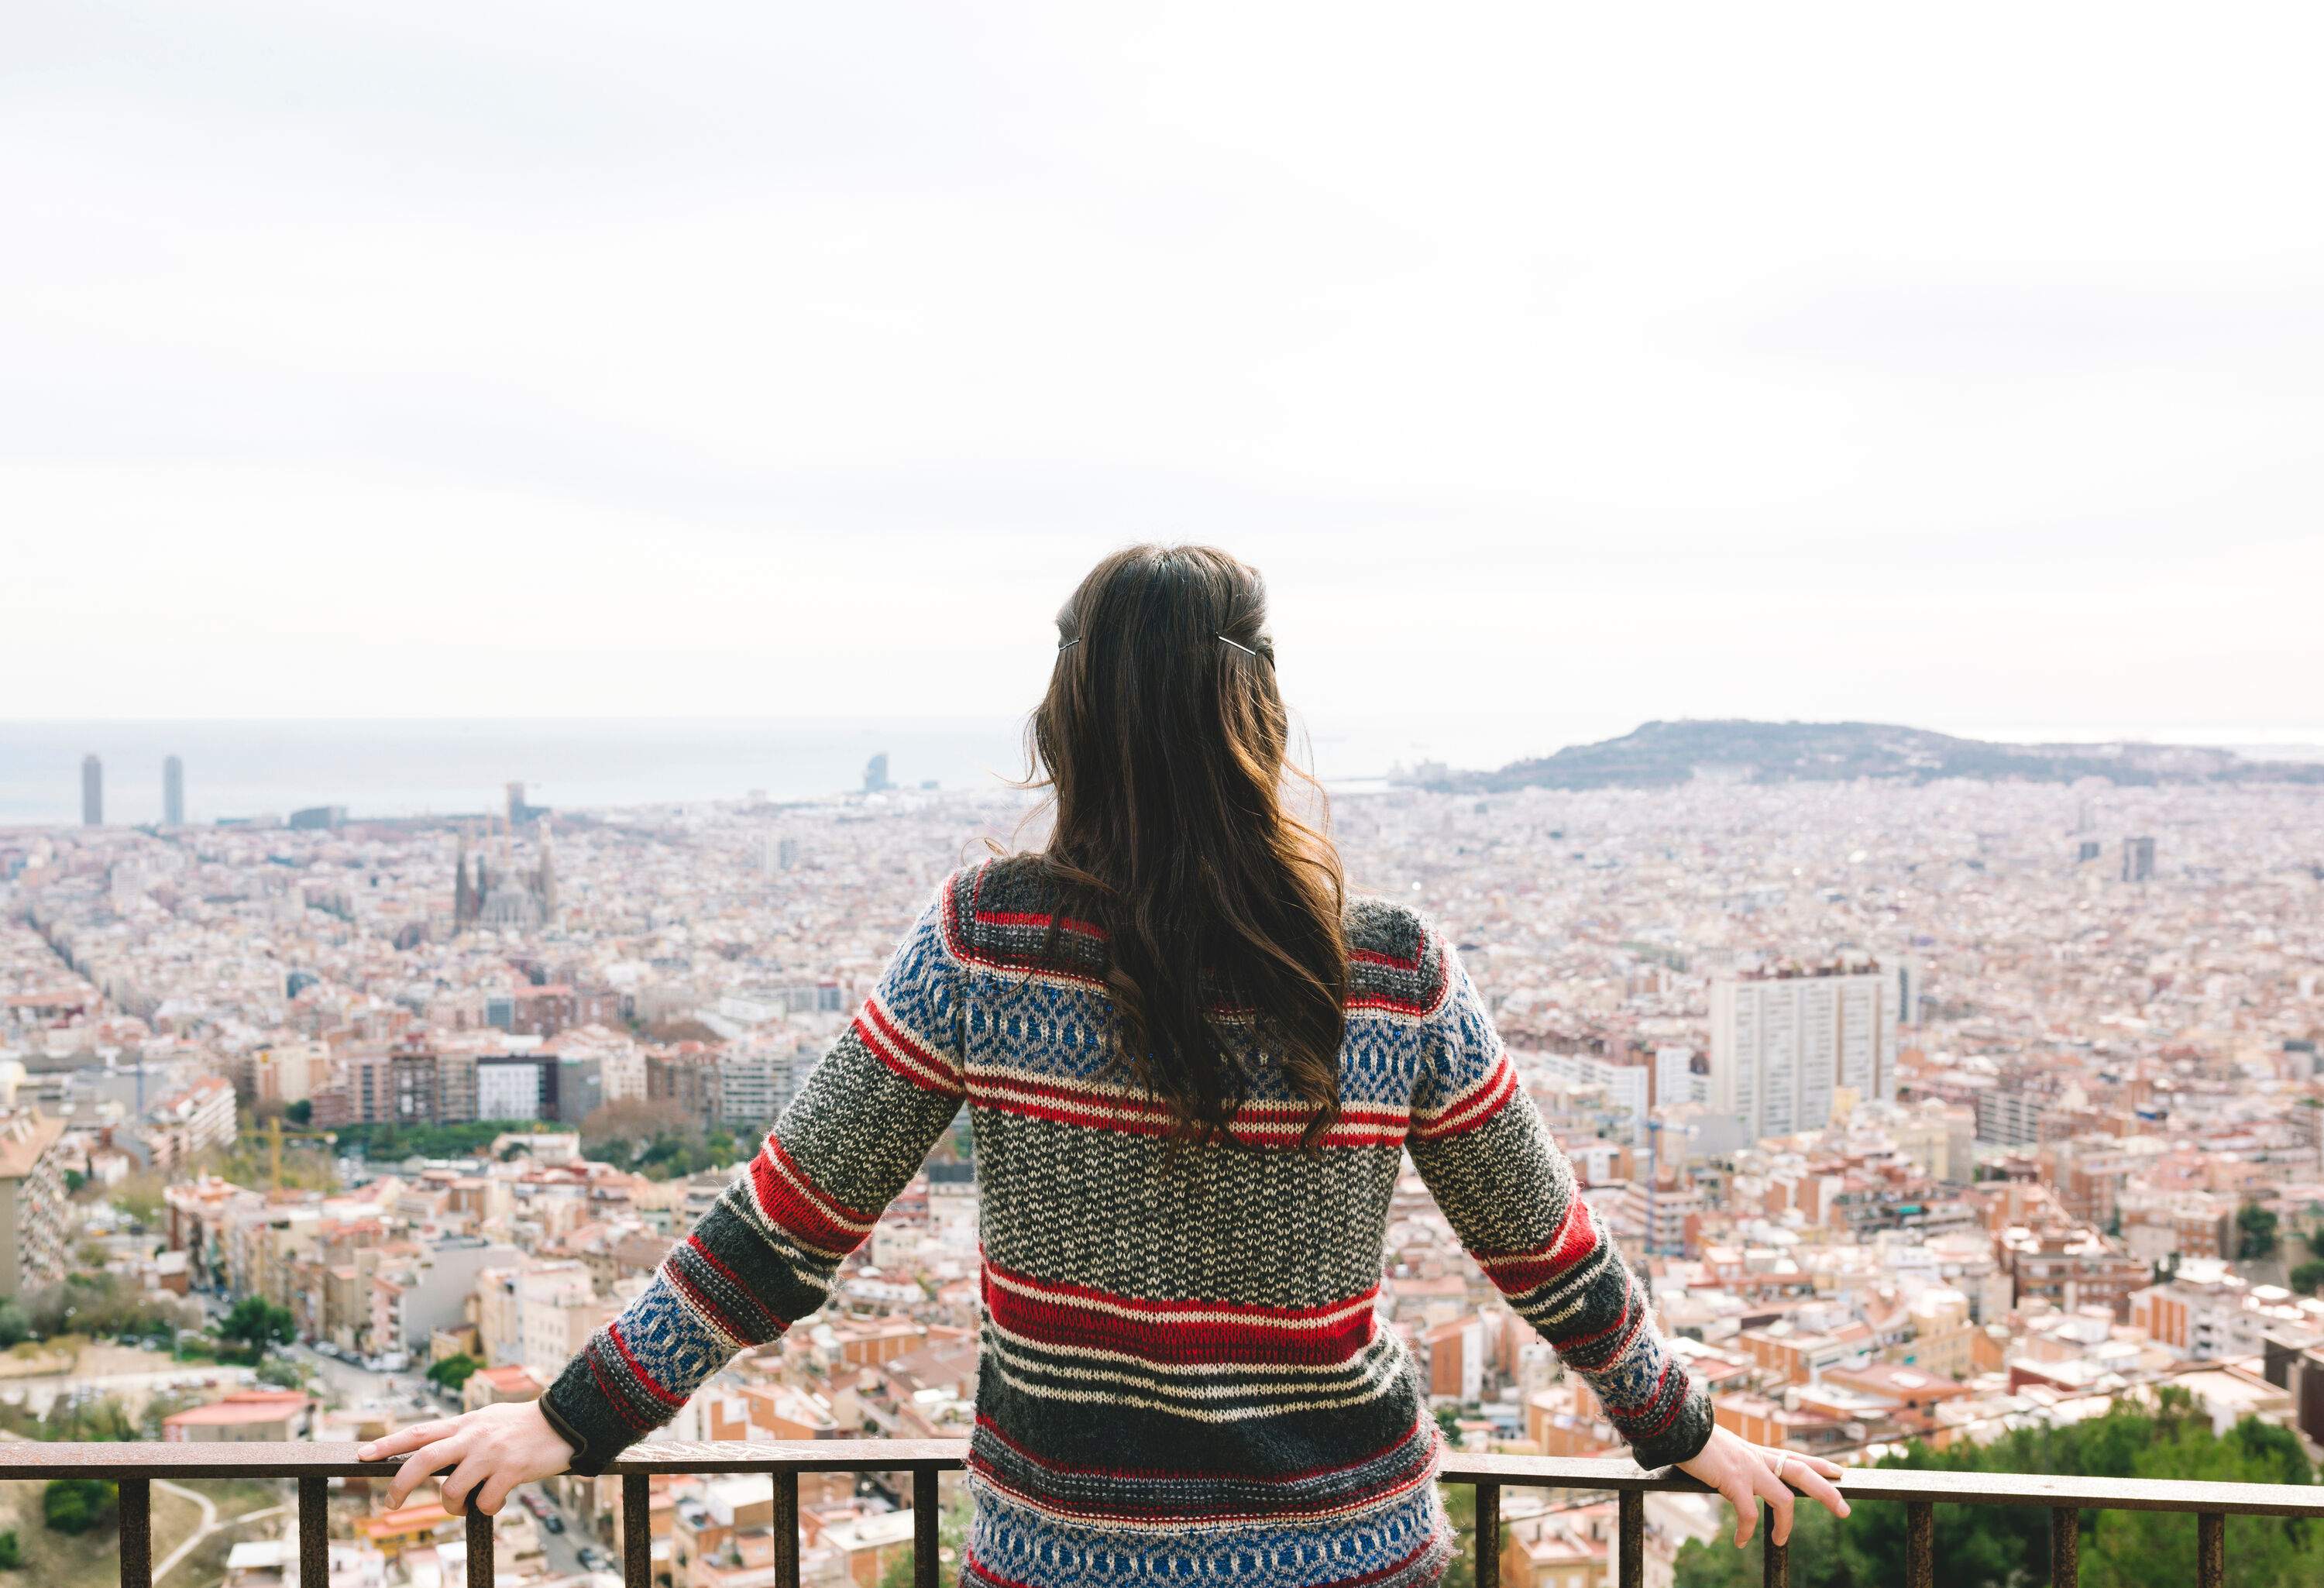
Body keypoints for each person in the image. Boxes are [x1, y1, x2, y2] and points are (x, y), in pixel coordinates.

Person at [361, 545, 1848, 1584]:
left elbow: (782, 1228)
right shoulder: (1386, 966)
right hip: (1351, 1548)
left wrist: (573, 1418)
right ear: (1255, 711)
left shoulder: (990, 943)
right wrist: (1685, 1430)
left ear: (1067, 718)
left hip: (1064, 1549)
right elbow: (1546, 1249)